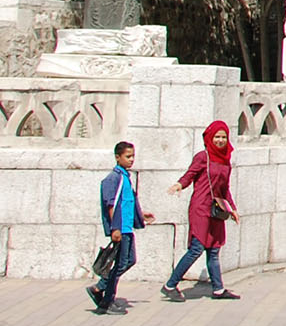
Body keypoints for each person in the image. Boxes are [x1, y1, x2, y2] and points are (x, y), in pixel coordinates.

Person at [160, 120, 241, 301]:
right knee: (197, 248)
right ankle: (170, 285)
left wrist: (232, 209)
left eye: (223, 137)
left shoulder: (225, 160)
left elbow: (224, 188)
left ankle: (218, 289)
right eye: (217, 137)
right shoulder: (203, 157)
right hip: (201, 207)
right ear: (209, 138)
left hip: (216, 209)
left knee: (214, 249)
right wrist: (179, 184)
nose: (220, 141)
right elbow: (190, 174)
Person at [90, 141, 153, 314]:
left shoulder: (125, 177)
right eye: (127, 156)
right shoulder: (114, 178)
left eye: (133, 156)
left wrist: (140, 216)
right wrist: (115, 228)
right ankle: (107, 301)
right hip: (121, 229)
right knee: (119, 265)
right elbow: (111, 204)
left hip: (127, 228)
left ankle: (100, 288)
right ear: (117, 157)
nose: (131, 159)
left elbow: (127, 203)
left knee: (129, 261)